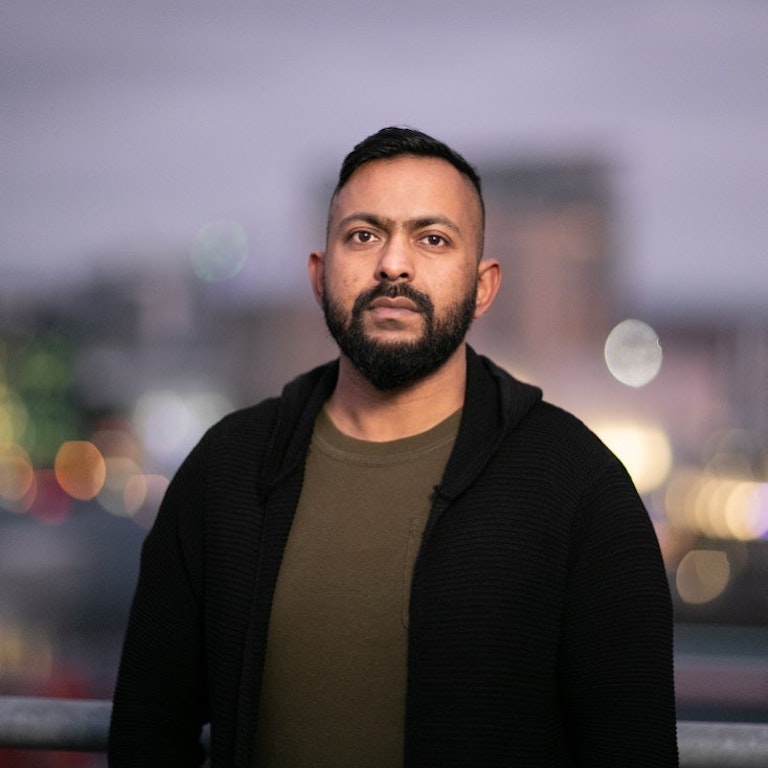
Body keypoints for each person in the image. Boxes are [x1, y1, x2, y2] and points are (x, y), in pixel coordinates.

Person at [108, 126, 678, 767]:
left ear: (484, 286)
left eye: (432, 239)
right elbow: (147, 731)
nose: (394, 264)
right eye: (364, 235)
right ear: (320, 277)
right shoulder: (225, 471)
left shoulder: (580, 488)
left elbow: (635, 750)